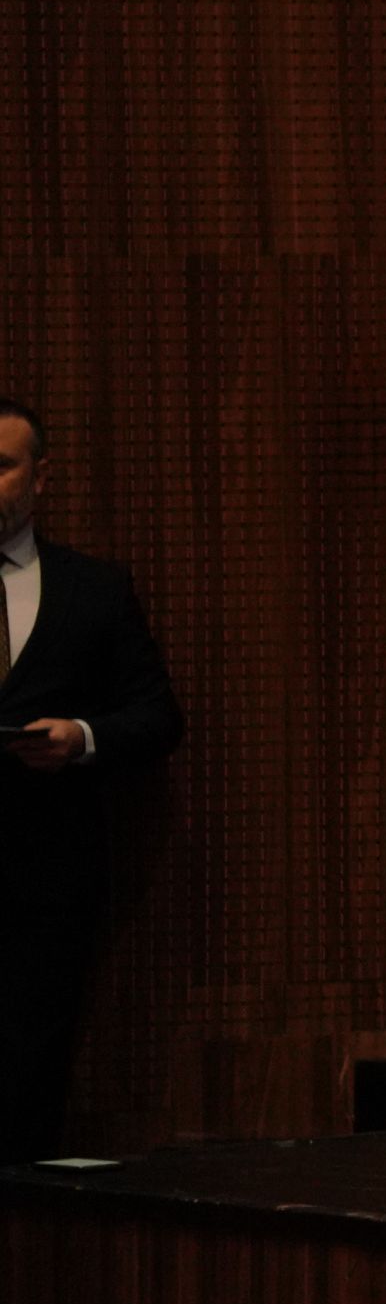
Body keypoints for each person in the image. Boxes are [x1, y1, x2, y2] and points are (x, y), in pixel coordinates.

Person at [0, 397, 184, 1158]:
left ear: (41, 477)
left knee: (30, 1077)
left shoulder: (94, 590)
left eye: (1, 465)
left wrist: (80, 738)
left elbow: (158, 717)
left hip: (47, 878)